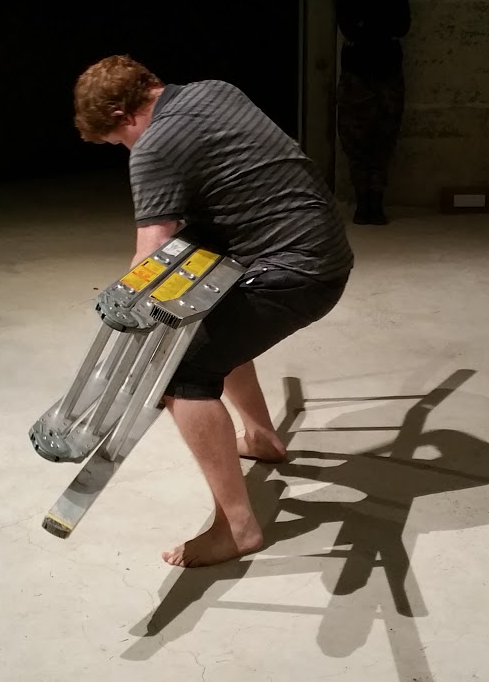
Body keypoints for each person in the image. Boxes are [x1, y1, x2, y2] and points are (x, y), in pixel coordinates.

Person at [73, 55, 353, 567]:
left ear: (122, 114)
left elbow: (150, 257)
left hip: (296, 272)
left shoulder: (153, 146)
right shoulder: (216, 89)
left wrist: (127, 313)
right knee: (211, 325)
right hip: (325, 247)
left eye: (118, 141)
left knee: (180, 374)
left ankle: (237, 528)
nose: (126, 150)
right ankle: (262, 438)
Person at [336, 0, 411, 226]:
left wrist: (368, 25)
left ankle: (375, 202)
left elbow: (402, 26)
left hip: (385, 70)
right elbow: (349, 27)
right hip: (359, 71)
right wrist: (379, 26)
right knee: (355, 138)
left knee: (384, 136)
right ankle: (363, 201)